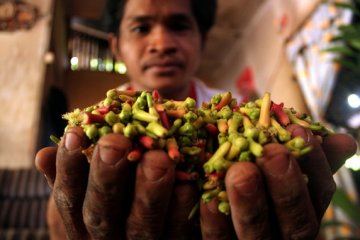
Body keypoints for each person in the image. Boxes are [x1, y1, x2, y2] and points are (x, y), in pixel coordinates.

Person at [35, 0, 357, 239]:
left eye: (179, 25)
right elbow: (62, 214)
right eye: (140, 27)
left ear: (202, 41)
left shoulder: (240, 113)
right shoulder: (95, 125)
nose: (161, 44)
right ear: (116, 46)